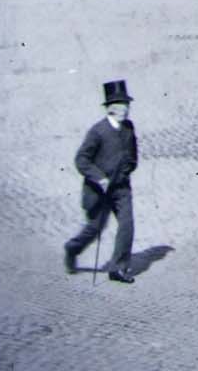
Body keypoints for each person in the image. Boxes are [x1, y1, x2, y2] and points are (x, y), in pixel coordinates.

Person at [63, 80, 139, 283]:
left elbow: (132, 156)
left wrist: (127, 169)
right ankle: (72, 248)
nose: (125, 109)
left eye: (126, 105)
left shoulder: (129, 128)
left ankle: (118, 268)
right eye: (120, 106)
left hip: (121, 187)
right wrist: (99, 178)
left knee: (127, 224)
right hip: (98, 191)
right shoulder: (98, 131)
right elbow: (81, 160)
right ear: (110, 109)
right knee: (95, 228)